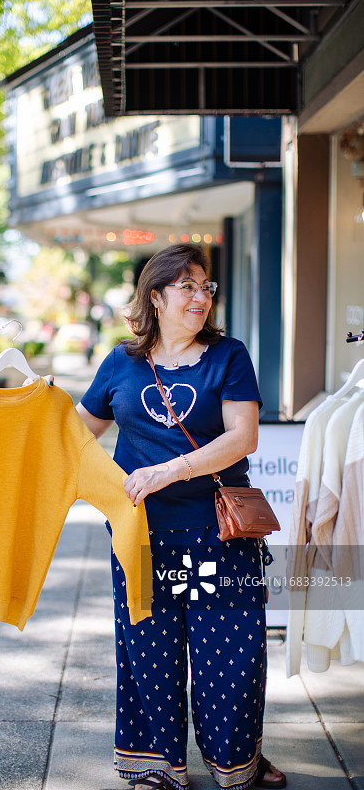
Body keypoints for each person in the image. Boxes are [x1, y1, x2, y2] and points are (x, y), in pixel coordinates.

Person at [44, 243, 286, 790]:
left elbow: (242, 437)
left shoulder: (229, 356)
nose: (200, 297)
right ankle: (155, 766)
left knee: (232, 656)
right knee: (148, 655)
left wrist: (167, 471)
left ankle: (237, 763)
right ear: (155, 296)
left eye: (206, 288)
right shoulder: (119, 363)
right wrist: (26, 410)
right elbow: (77, 435)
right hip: (140, 538)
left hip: (217, 534)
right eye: (187, 287)